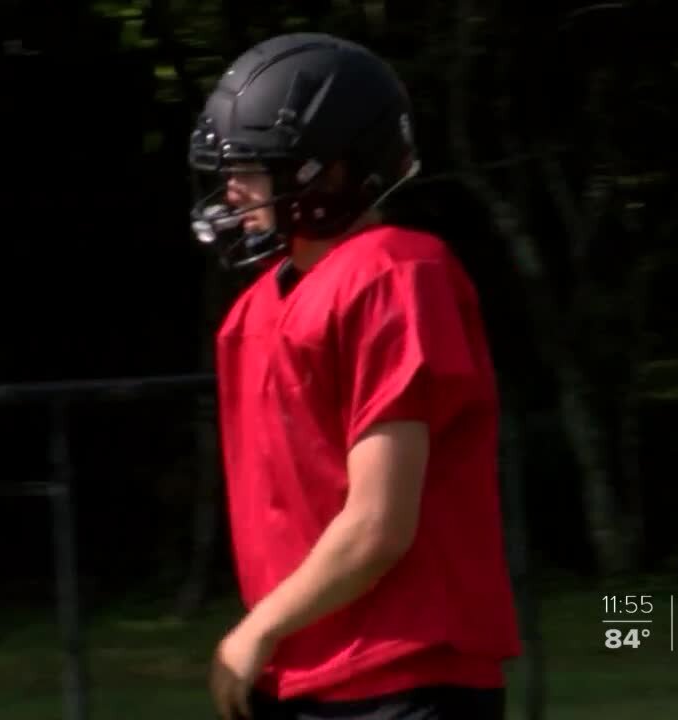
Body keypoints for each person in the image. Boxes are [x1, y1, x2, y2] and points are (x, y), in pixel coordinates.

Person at [188, 33, 522, 720]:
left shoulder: (394, 273)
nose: (232, 188)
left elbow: (379, 522)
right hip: (303, 673)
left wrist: (260, 628)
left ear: (329, 173)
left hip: (400, 673)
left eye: (253, 166)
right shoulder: (257, 307)